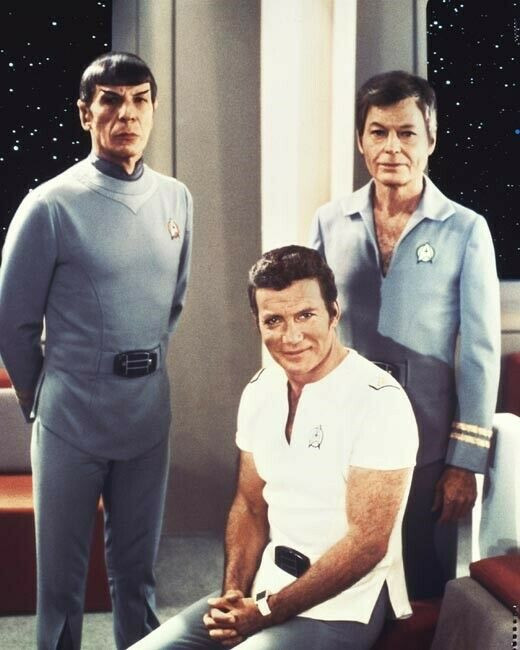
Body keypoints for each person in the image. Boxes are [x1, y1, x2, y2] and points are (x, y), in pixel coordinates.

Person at [128, 245, 418, 650]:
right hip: (267, 587)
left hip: (342, 607)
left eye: (305, 315)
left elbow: (367, 545)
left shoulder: (380, 401)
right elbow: (249, 506)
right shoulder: (260, 390)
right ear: (258, 324)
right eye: (274, 321)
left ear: (334, 313)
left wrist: (265, 613)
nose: (291, 336)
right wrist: (233, 594)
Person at [0, 52, 193, 649]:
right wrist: (43, 401)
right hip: (70, 415)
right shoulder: (50, 205)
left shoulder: (176, 199)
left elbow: (172, 305)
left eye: (139, 100)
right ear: (86, 114)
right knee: (60, 588)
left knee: (137, 580)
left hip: (147, 413)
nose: (126, 113)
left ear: (153, 110)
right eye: (111, 101)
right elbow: (13, 325)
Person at [309, 70, 501, 598]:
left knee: (422, 584)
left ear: (430, 140)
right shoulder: (329, 222)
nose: (392, 147)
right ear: (361, 140)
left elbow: (480, 353)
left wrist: (464, 462)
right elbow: (312, 333)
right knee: (342, 575)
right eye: (378, 132)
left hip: (428, 439)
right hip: (347, 432)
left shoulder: (466, 229)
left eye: (407, 132)